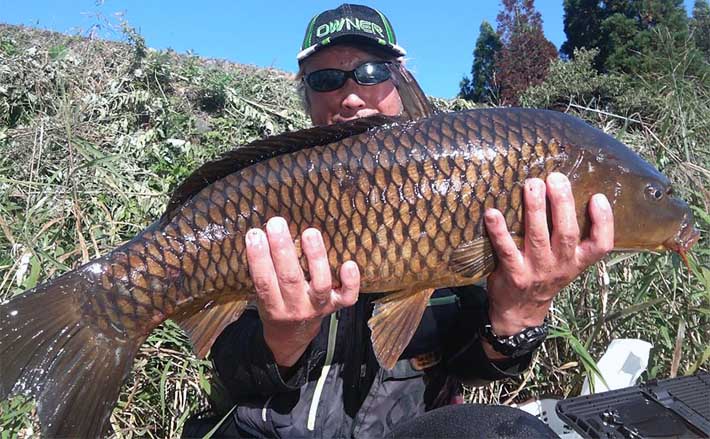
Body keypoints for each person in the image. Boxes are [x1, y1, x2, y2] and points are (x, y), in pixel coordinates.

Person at [198, 4, 614, 438]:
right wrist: (283, 339)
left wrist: (520, 314)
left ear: (399, 79)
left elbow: (471, 367)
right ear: (307, 96)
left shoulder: (469, 185)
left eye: (371, 71)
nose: (352, 96)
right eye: (325, 79)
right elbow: (231, 371)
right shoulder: (267, 196)